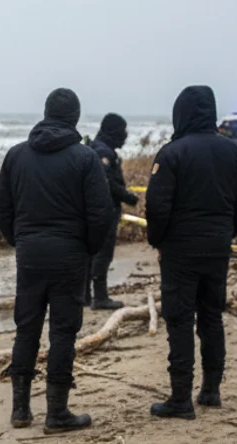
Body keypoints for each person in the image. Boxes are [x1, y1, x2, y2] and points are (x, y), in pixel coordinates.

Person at [0, 88, 113, 433]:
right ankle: (57, 413)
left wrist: (22, 239)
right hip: (69, 254)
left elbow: (0, 208)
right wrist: (87, 248)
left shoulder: (16, 156)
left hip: (30, 254)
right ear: (74, 117)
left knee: (26, 329)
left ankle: (20, 411)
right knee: (63, 332)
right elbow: (101, 213)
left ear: (46, 113)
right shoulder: (85, 158)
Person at [144, 85, 237, 419]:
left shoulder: (172, 153)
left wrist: (158, 241)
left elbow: (156, 205)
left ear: (181, 112)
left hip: (179, 250)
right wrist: (225, 232)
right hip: (216, 248)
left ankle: (180, 399)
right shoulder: (235, 152)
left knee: (179, 320)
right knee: (211, 317)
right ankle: (210, 391)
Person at [86, 113, 140, 310]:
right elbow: (105, 182)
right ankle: (99, 297)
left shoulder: (97, 148)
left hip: (96, 209)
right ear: (114, 132)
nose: (125, 136)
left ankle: (86, 296)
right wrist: (128, 197)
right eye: (123, 131)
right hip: (105, 211)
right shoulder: (103, 152)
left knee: (91, 253)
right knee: (102, 253)